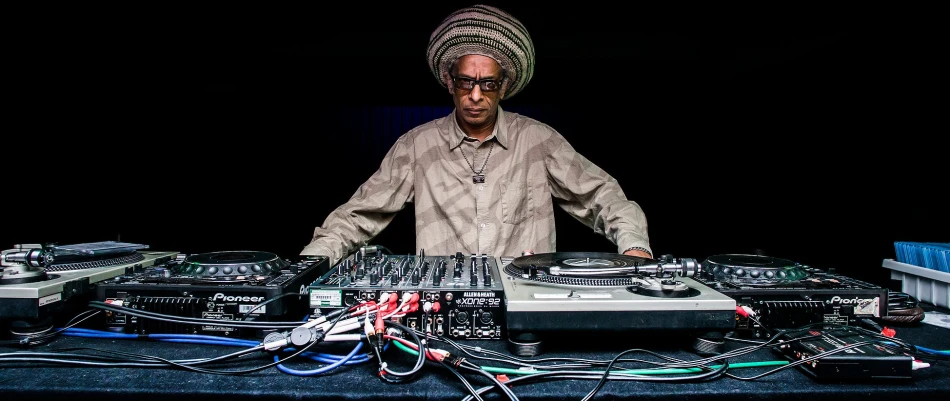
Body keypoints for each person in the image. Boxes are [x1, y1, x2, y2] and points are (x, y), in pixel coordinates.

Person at [300, 4, 652, 264]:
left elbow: (602, 195)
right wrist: (309, 263)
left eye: (488, 84)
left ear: (503, 87)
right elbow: (359, 215)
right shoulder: (416, 146)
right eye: (466, 82)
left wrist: (634, 245)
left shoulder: (538, 141)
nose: (475, 95)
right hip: (442, 306)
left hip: (525, 303)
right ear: (450, 82)